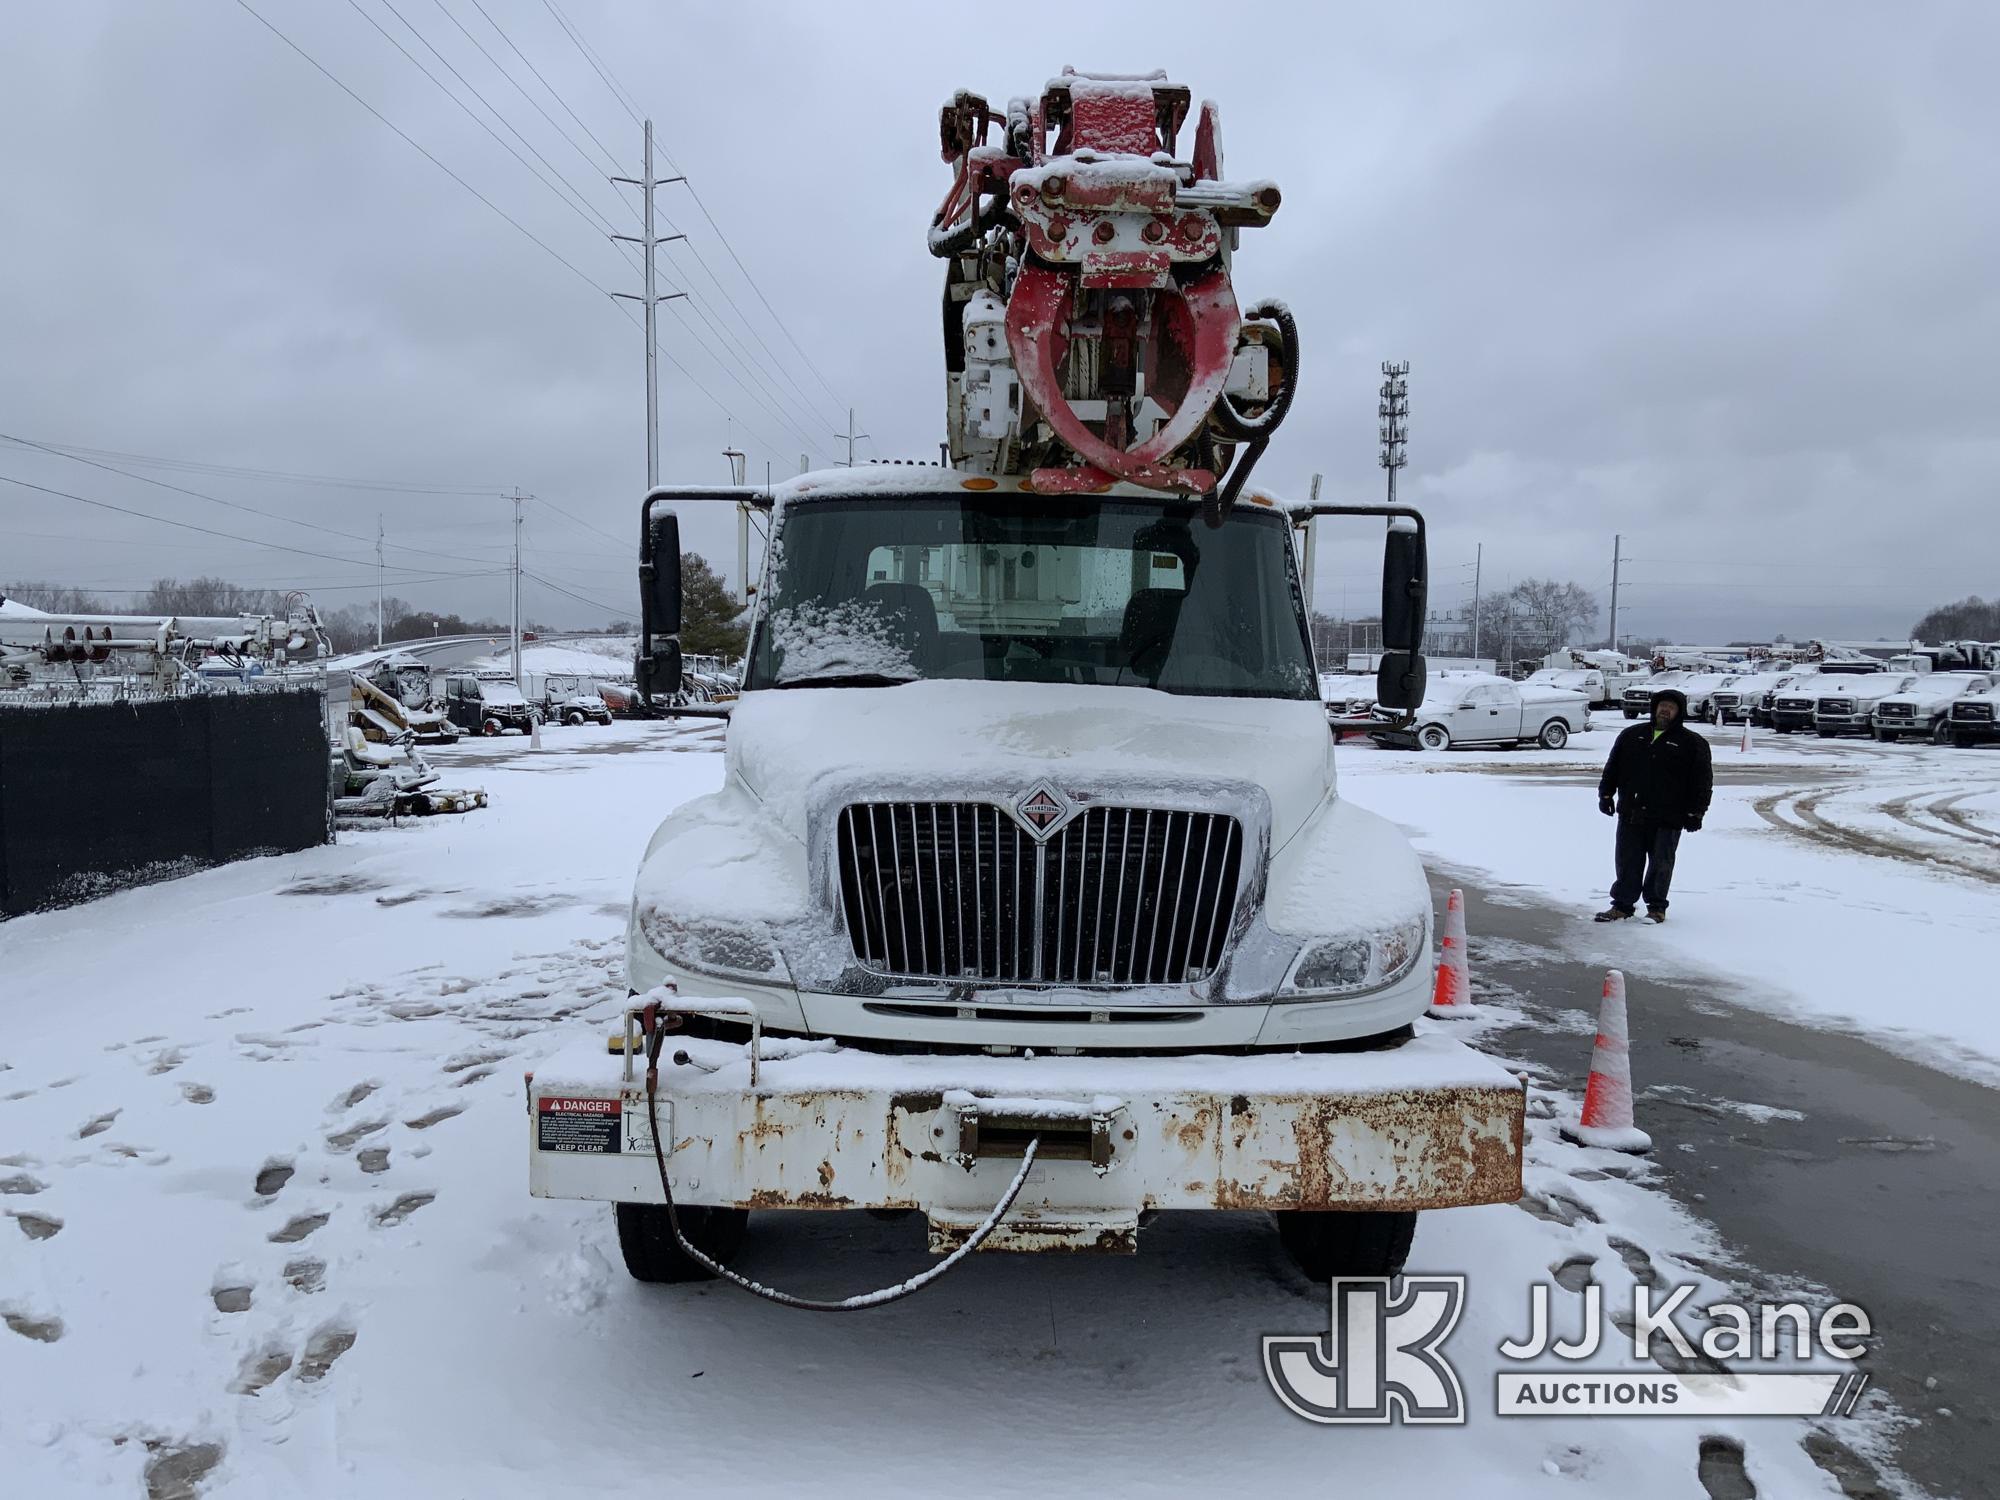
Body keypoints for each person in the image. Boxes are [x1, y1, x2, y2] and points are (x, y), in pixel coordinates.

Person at [1595, 686, 1712, 922]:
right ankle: (1622, 905)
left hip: (1668, 816)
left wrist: (1696, 812)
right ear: (1654, 708)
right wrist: (1605, 794)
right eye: (1662, 706)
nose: (1665, 711)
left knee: (1661, 864)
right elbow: (1613, 767)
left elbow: (1702, 782)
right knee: (1627, 861)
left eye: (1671, 707)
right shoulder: (1632, 735)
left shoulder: (1692, 743)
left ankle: (1656, 908)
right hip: (1631, 811)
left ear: (1679, 712)